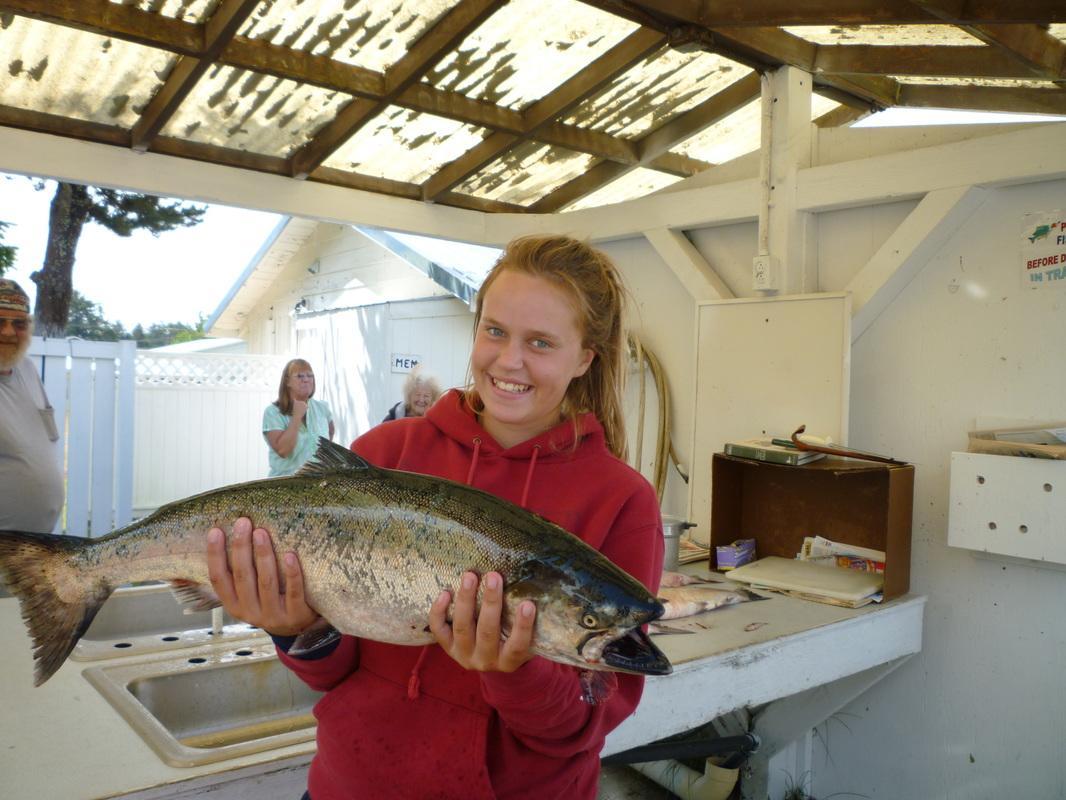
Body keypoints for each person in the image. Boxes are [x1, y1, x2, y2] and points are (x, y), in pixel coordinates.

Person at [207, 235, 664, 800]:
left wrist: (513, 671)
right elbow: (333, 676)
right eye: (494, 330)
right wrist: (294, 628)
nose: (509, 359)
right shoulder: (385, 452)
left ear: (585, 358)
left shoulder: (621, 500)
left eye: (541, 342)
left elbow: (583, 728)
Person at [0, 279, 64, 533]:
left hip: (31, 550)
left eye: (19, 323)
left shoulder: (25, 368)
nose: (8, 332)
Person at [262, 358, 335, 477]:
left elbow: (330, 433)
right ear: (287, 382)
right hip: (284, 487)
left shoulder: (322, 408)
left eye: (310, 376)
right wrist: (296, 417)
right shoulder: (272, 413)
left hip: (318, 486)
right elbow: (283, 451)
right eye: (300, 376)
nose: (306, 380)